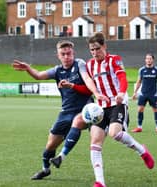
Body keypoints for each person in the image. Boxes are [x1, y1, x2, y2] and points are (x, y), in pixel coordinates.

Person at [51, 32, 155, 187]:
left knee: (114, 133)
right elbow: (88, 88)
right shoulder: (90, 65)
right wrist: (72, 85)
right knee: (95, 143)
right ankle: (100, 182)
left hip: (117, 103)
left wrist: (121, 92)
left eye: (97, 49)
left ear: (104, 46)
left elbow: (122, 78)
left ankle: (142, 150)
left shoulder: (114, 60)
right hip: (100, 108)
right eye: (91, 50)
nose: (94, 53)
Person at [12, 40, 102, 180]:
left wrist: (95, 93)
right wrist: (28, 68)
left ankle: (61, 156)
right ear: (58, 55)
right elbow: (39, 76)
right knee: (50, 145)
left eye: (69, 53)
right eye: (63, 54)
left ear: (73, 53)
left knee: (77, 122)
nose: (66, 56)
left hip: (84, 109)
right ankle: (45, 169)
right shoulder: (57, 70)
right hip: (66, 112)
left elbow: (87, 80)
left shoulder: (80, 64)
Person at [131, 53, 157, 134]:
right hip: (143, 94)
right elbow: (139, 81)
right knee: (140, 109)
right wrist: (135, 92)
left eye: (150, 58)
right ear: (145, 60)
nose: (148, 60)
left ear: (153, 60)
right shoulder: (141, 70)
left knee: (155, 110)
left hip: (153, 94)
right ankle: (139, 127)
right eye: (147, 58)